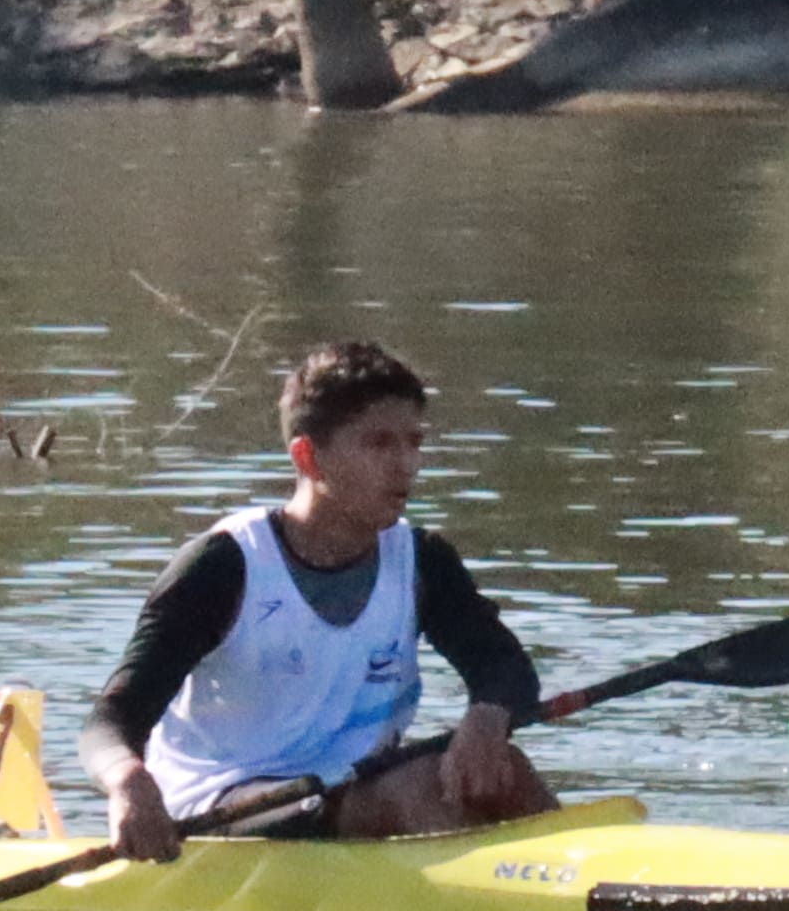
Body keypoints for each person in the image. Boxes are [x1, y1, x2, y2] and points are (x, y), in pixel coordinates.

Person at [93, 338, 560, 853]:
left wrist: (488, 716)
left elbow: (504, 665)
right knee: (416, 786)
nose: (406, 465)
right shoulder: (224, 565)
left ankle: (579, 884)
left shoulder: (421, 559)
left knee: (503, 767)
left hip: (356, 785)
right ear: (308, 457)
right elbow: (112, 720)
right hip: (223, 805)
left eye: (414, 442)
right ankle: (489, 905)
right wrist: (127, 782)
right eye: (379, 444)